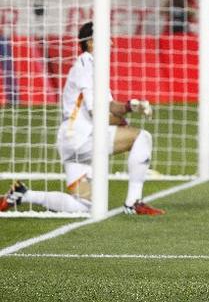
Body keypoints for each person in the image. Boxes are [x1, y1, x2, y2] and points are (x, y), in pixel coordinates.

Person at [1, 22, 165, 215]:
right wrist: (129, 109)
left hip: (72, 142)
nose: (111, 43)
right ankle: (133, 202)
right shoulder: (87, 63)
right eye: (106, 39)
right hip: (81, 138)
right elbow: (98, 111)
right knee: (142, 137)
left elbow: (109, 110)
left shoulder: (93, 68)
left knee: (86, 206)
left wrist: (132, 107)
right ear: (91, 43)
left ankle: (23, 195)